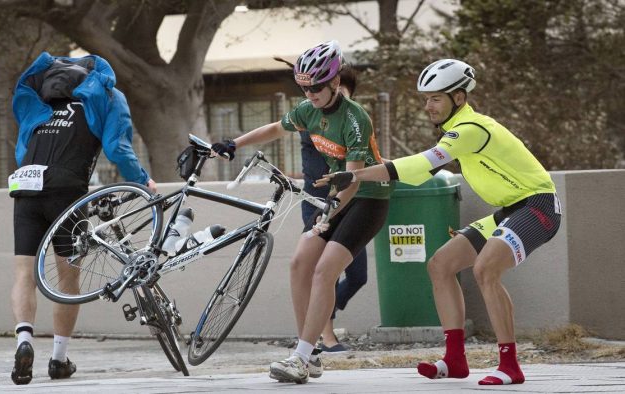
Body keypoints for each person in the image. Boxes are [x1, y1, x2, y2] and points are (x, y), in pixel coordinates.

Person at [316, 59, 562, 386]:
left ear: (458, 98)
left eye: (435, 98)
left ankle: (510, 365)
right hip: (510, 210)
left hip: (538, 206)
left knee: (485, 269)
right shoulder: (455, 132)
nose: (427, 105)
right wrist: (364, 166)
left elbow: (420, 164)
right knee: (441, 264)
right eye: (426, 98)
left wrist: (357, 173)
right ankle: (455, 359)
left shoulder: (471, 129)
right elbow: (418, 172)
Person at [213, 40, 392, 383]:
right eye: (304, 87)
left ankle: (300, 357)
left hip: (367, 197)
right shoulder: (307, 110)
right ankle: (307, 355)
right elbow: (274, 130)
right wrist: (234, 144)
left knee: (325, 271)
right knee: (299, 264)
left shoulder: (355, 118)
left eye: (316, 88)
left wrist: (327, 216)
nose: (309, 94)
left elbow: (352, 179)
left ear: (336, 82)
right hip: (336, 198)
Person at [8, 52, 158, 385]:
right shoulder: (106, 96)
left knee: (23, 272)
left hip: (26, 184)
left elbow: (21, 149)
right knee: (68, 279)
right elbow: (118, 149)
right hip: (68, 191)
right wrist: (142, 180)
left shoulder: (38, 98)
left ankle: (24, 340)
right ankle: (59, 359)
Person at [295, 65, 368, 353]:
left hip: (349, 203)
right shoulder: (311, 121)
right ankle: (324, 338)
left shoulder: (353, 120)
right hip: (318, 202)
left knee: (358, 275)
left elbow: (358, 163)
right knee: (323, 272)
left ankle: (319, 316)